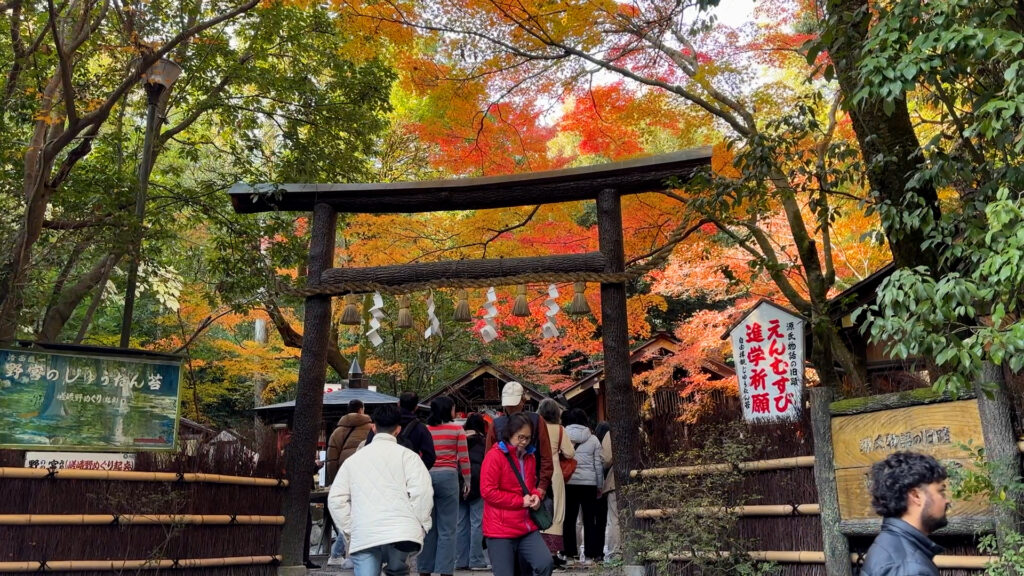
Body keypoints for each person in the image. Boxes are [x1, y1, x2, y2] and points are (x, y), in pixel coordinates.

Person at [328, 403, 434, 576]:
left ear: (373, 427)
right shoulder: (409, 457)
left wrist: (349, 529)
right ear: (398, 430)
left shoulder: (354, 460)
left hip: (364, 530)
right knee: (398, 571)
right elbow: (423, 493)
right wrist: (420, 524)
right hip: (401, 530)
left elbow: (336, 499)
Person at [481, 412, 554, 576]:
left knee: (545, 564)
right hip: (499, 529)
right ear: (509, 434)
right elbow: (488, 491)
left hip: (526, 526)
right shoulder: (494, 456)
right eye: (520, 437)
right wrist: (520, 501)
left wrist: (535, 495)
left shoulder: (530, 456)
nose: (524, 442)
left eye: (528, 438)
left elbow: (529, 486)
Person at [861, 451, 950, 576]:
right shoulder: (909, 568)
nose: (947, 500)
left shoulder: (888, 544)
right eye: (941, 492)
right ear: (916, 496)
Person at [419, 396, 470, 576]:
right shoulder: (457, 429)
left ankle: (424, 568)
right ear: (449, 410)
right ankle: (444, 570)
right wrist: (467, 481)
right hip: (448, 477)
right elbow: (463, 458)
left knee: (428, 526)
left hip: (426, 477)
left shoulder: (425, 430)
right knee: (448, 527)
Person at [486, 381, 554, 501]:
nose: (511, 408)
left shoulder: (537, 421)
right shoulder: (496, 425)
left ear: (523, 400)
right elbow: (488, 460)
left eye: (514, 404)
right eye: (509, 404)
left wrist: (542, 486)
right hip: (504, 490)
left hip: (533, 487)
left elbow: (546, 456)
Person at [326, 399, 374, 567]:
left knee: (349, 514)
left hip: (343, 477)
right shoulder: (371, 429)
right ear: (362, 409)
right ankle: (340, 552)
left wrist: (333, 481)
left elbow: (331, 460)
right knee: (358, 514)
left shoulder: (338, 432)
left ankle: (339, 553)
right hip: (365, 478)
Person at [562, 409, 604, 565]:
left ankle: (570, 555)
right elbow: (598, 465)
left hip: (569, 483)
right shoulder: (593, 439)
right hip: (589, 484)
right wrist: (599, 486)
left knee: (569, 520)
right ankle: (589, 556)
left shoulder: (563, 436)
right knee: (589, 520)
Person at [536, 398, 574, 568]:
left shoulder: (536, 427)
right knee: (557, 510)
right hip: (555, 472)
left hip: (537, 470)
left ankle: (537, 549)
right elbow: (570, 453)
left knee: (538, 507)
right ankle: (552, 552)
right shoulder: (560, 430)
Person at [367, 391, 437, 469]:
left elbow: (368, 446)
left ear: (398, 403)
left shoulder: (383, 421)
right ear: (416, 407)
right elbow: (430, 456)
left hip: (381, 471)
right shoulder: (420, 428)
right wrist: (415, 471)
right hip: (407, 470)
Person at [456, 413, 489, 571]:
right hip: (478, 484)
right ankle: (476, 559)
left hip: (459, 483)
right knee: (477, 523)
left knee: (461, 523)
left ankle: (461, 560)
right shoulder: (484, 442)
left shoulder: (459, 439)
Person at [595, 422, 618, 560]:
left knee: (614, 519)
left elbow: (607, 459)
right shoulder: (641, 431)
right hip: (638, 481)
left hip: (614, 481)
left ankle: (616, 552)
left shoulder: (611, 434)